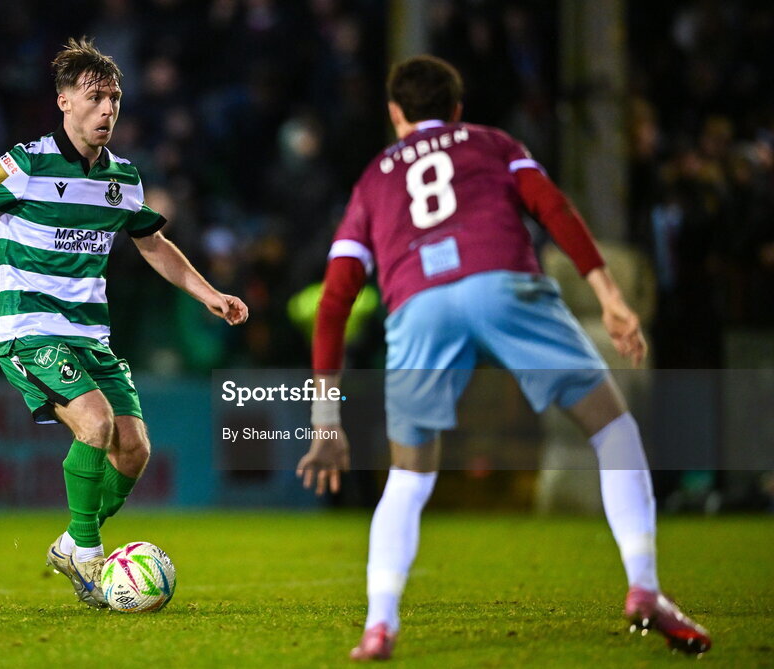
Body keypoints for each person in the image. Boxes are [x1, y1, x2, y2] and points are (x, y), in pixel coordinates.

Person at [296, 56, 711, 660]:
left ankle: (379, 625)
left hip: (418, 305)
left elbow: (335, 302)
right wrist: (611, 298)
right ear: (456, 110)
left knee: (409, 477)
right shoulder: (493, 143)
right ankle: (644, 589)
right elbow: (553, 208)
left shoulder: (375, 177)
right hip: (501, 280)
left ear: (395, 114)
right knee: (613, 429)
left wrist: (326, 422)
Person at [0, 37, 248, 608]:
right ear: (64, 102)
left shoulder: (123, 177)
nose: (108, 110)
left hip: (90, 336)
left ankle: (73, 539)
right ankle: (90, 558)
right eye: (95, 97)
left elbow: (153, 244)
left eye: (115, 98)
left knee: (134, 450)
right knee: (94, 425)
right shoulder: (22, 165)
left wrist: (208, 293)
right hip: (28, 330)